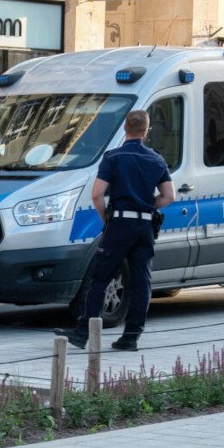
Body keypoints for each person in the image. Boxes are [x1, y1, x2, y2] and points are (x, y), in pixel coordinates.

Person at [58, 109, 175, 351]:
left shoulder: (113, 157)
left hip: (119, 224)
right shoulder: (156, 159)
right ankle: (131, 337)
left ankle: (83, 333)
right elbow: (169, 195)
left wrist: (106, 218)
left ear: (125, 129)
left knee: (100, 277)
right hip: (144, 226)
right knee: (141, 281)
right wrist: (148, 207)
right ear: (145, 130)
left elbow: (97, 194)